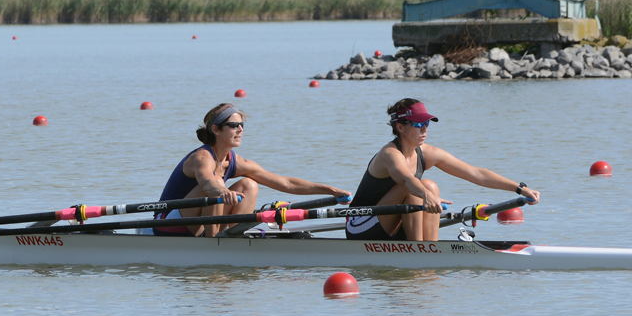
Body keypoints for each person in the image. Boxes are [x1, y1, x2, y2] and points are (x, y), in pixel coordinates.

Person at [345, 98, 540, 242]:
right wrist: (426, 196)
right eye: (418, 124)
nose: (425, 130)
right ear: (401, 127)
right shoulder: (389, 154)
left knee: (431, 185)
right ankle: (419, 251)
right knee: (418, 188)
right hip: (361, 225)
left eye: (426, 124)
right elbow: (405, 180)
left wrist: (519, 188)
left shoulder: (427, 153)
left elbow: (476, 174)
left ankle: (430, 247)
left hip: (392, 220)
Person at [153, 103, 349, 236]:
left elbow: (286, 183)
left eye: (242, 125)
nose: (240, 130)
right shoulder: (201, 157)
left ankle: (229, 237)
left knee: (249, 185)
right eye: (233, 125)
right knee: (218, 184)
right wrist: (223, 191)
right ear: (215, 129)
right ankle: (213, 244)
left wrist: (330, 190)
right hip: (168, 223)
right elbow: (208, 183)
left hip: (197, 220)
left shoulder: (236, 162)